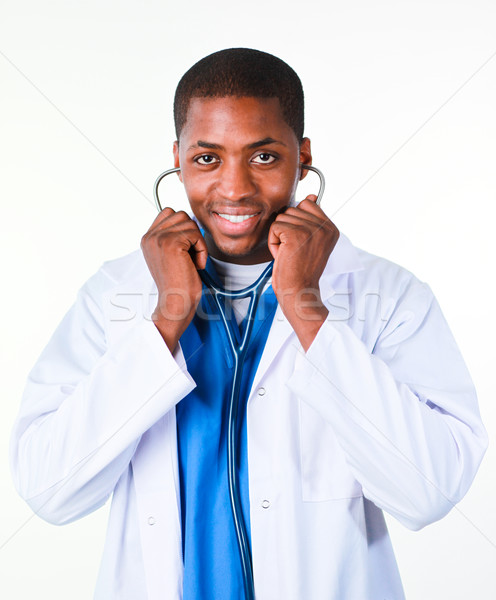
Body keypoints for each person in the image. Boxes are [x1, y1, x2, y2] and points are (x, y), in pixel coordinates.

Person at [10, 48, 487, 600]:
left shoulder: (391, 296)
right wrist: (165, 319)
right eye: (208, 158)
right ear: (178, 156)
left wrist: (307, 307)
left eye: (263, 157)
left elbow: (428, 492)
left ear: (302, 157)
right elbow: (49, 491)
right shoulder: (115, 294)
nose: (234, 189)